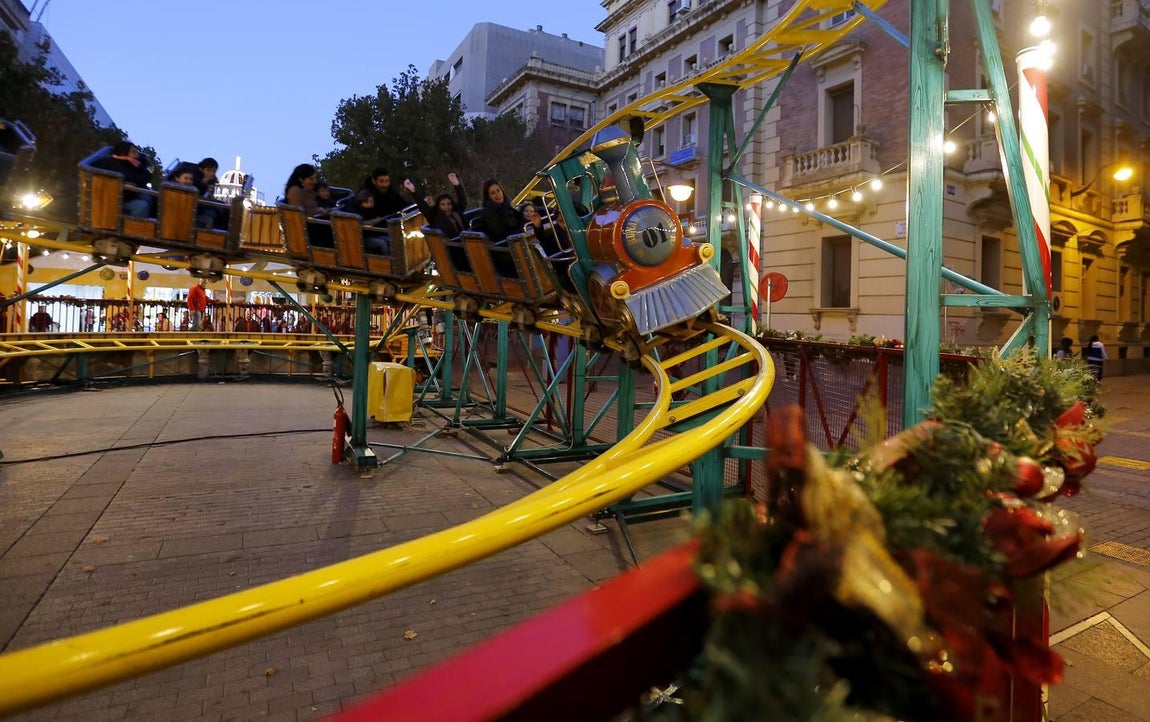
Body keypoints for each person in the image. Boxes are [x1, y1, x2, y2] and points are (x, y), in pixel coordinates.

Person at [92, 141, 154, 218]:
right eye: (133, 152)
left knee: (149, 197)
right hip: (116, 197)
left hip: (130, 194)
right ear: (124, 153)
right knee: (142, 206)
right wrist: (122, 183)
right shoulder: (109, 163)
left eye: (137, 152)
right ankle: (131, 226)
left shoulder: (135, 163)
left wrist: (135, 182)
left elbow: (144, 177)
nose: (137, 155)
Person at [406, 172, 467, 239]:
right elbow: (423, 206)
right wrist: (413, 191)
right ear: (438, 206)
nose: (446, 207)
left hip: (465, 239)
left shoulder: (456, 212)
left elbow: (462, 200)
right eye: (443, 204)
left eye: (448, 204)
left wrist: (456, 184)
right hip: (451, 245)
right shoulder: (435, 216)